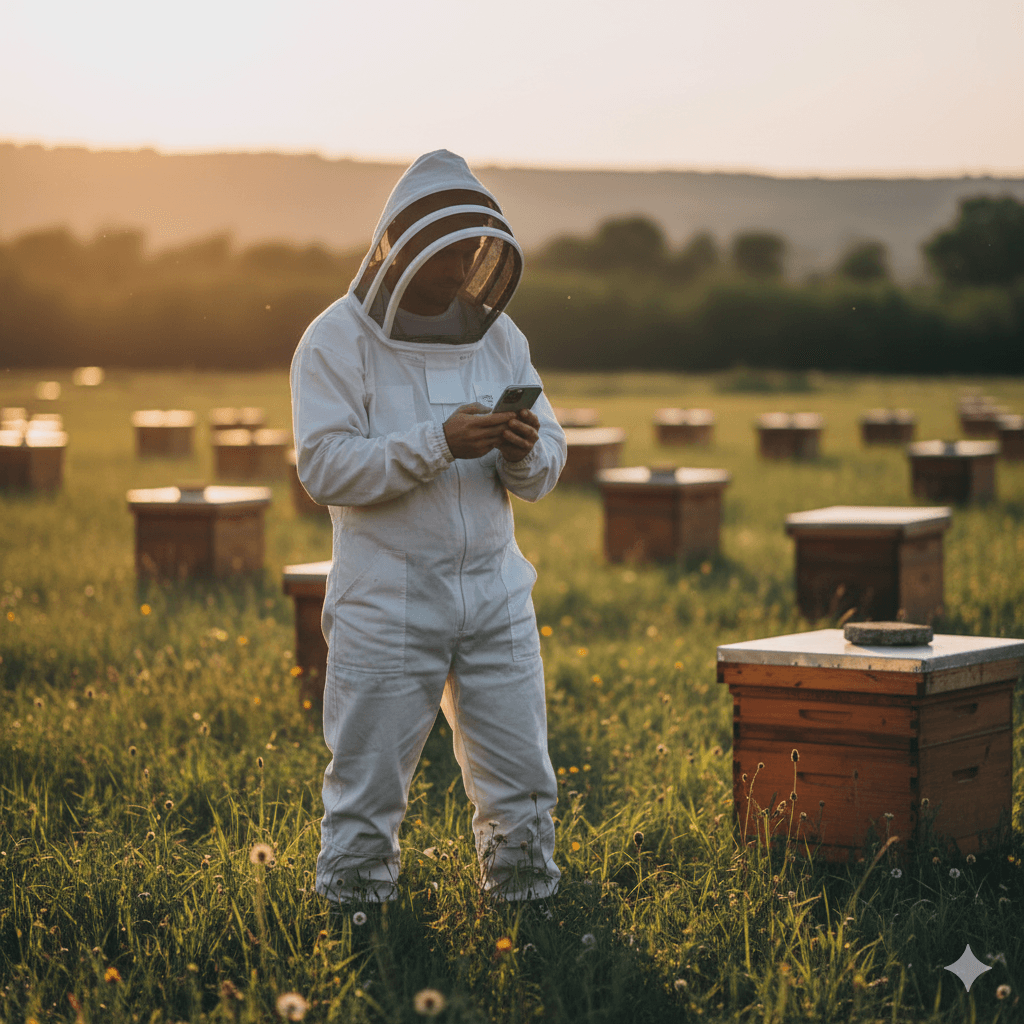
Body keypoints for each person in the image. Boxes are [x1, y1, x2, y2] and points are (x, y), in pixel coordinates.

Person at [290, 149, 566, 908]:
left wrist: (523, 448)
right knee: (367, 781)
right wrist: (437, 442)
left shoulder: (500, 337)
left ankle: (527, 903)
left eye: (468, 257)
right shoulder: (334, 340)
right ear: (402, 250)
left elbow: (548, 462)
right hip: (388, 597)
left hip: (497, 591)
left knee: (520, 775)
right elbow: (325, 468)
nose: (457, 273)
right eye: (443, 257)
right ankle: (353, 912)